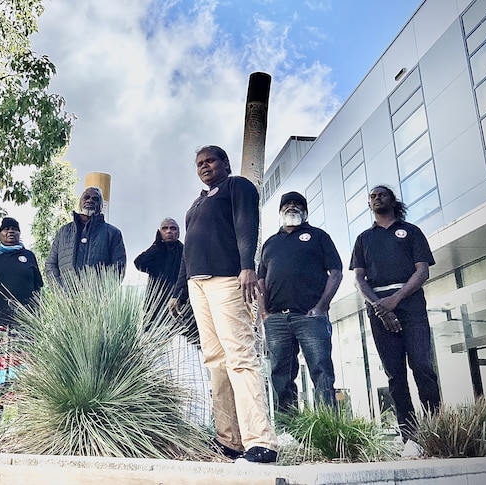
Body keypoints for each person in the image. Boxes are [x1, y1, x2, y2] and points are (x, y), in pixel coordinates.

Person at [168, 145, 278, 463]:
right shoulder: (197, 203)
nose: (204, 166)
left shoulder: (237, 186)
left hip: (229, 279)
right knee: (215, 360)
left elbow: (247, 225)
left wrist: (248, 266)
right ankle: (229, 440)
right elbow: (189, 249)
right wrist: (178, 290)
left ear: (224, 163)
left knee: (240, 357)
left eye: (210, 160)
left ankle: (261, 441)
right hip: (197, 285)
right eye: (199, 163)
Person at [350, 185, 440, 456]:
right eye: (373, 196)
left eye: (382, 195)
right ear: (369, 204)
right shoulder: (364, 238)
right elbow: (358, 279)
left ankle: (437, 430)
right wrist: (380, 306)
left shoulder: (411, 232)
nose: (377, 198)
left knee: (422, 367)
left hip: (410, 304)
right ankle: (410, 438)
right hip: (378, 309)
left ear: (393, 200)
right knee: (395, 376)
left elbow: (422, 272)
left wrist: (396, 299)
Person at [257, 191, 343, 415]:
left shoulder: (318, 236)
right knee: (280, 375)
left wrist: (322, 306)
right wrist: (264, 314)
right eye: (287, 204)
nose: (291, 207)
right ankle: (289, 431)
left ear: (305, 211)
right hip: (276, 320)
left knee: (321, 370)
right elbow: (260, 281)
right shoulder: (270, 243)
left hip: (310, 317)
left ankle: (328, 429)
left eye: (297, 204)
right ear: (280, 211)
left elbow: (336, 271)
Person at [135, 218, 210, 427]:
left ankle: (191, 420)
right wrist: (156, 245)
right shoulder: (155, 252)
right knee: (156, 369)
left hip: (180, 319)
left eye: (173, 228)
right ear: (159, 232)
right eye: (165, 228)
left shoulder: (186, 252)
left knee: (183, 369)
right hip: (154, 319)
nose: (169, 231)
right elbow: (139, 263)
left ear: (179, 232)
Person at [0, 217, 43, 420]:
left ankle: (22, 420)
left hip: (25, 323)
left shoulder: (28, 256)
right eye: (6, 229)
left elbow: (38, 289)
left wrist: (38, 317)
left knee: (23, 370)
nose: (10, 232)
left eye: (14, 229)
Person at [44, 186, 127, 284]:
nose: (90, 200)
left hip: (97, 298)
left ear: (101, 206)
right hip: (66, 296)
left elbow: (118, 267)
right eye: (86, 197)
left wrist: (101, 292)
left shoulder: (112, 233)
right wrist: (61, 291)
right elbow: (51, 264)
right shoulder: (63, 231)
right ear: (80, 202)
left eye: (95, 199)